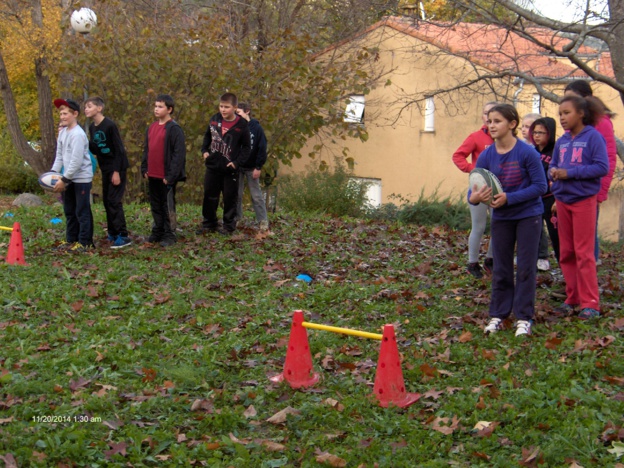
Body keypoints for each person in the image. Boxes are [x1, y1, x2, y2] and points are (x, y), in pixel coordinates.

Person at [469, 104, 547, 336]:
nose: (491, 125)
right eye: (489, 121)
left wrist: (509, 198)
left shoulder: (527, 153)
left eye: (497, 121)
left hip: (528, 217)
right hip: (501, 217)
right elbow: (475, 185)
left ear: (512, 125)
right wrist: (474, 198)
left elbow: (540, 186)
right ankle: (498, 315)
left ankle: (524, 317)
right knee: (501, 267)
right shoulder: (486, 155)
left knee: (525, 267)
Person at [549, 95, 609, 319]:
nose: (562, 118)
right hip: (563, 200)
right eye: (560, 114)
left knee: (584, 252)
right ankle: (572, 297)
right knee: (566, 252)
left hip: (584, 200)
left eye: (567, 113)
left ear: (581, 114)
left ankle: (590, 302)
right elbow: (553, 164)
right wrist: (553, 173)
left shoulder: (593, 137)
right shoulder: (563, 140)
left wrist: (570, 173)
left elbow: (601, 167)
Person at [563, 80, 617, 262]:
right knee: (573, 239)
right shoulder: (572, 128)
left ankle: (588, 278)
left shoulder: (600, 124)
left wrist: (601, 192)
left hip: (589, 190)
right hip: (571, 190)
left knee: (587, 239)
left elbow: (608, 159)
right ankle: (574, 281)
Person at [452, 101, 498, 279]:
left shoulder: (503, 138)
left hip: (498, 190)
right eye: (486, 114)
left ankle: (490, 260)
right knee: (478, 227)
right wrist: (473, 170)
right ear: (482, 117)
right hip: (478, 189)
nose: (489, 119)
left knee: (498, 226)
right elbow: (458, 156)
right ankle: (472, 263)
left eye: (493, 115)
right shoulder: (476, 137)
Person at [198, 93, 251, 235]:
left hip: (230, 169)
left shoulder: (242, 125)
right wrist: (204, 151)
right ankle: (209, 224)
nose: (223, 109)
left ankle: (228, 226)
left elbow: (247, 147)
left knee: (229, 198)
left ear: (234, 107)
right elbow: (207, 137)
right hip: (213, 165)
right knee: (209, 195)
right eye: (221, 106)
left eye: (226, 107)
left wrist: (237, 163)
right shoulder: (214, 119)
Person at [84, 96, 131, 249]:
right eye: (85, 107)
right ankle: (112, 232)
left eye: (90, 106)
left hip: (116, 167)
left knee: (114, 201)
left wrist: (116, 171)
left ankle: (123, 236)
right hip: (105, 168)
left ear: (99, 108)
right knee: (106, 201)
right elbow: (96, 149)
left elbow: (119, 149)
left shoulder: (109, 125)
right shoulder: (92, 127)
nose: (86, 109)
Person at [140, 94, 186, 247]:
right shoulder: (151, 127)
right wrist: (144, 167)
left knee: (167, 205)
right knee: (155, 204)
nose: (156, 109)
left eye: (160, 106)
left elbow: (178, 154)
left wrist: (171, 175)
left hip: (166, 176)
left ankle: (169, 232)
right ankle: (158, 229)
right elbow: (147, 149)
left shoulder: (174, 129)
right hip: (152, 174)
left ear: (169, 109)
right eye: (155, 106)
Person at [51, 98, 95, 252]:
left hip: (81, 179)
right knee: (69, 210)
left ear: (75, 114)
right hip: (67, 179)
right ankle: (71, 239)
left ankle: (85, 242)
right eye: (61, 114)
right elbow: (60, 156)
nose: (62, 117)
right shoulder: (63, 132)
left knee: (81, 211)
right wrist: (53, 174)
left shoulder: (77, 134)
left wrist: (64, 179)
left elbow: (76, 162)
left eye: (65, 114)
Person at [529, 117, 560, 265]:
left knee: (556, 236)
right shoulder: (530, 151)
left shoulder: (556, 151)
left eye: (541, 132)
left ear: (550, 133)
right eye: (534, 132)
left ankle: (565, 270)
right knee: (533, 234)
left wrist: (557, 200)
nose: (536, 136)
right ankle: (533, 266)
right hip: (533, 199)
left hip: (551, 199)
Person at [235, 102, 269, 230]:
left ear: (247, 111)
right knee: (236, 194)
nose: (236, 115)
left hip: (252, 167)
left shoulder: (256, 128)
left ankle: (263, 221)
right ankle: (237, 219)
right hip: (238, 166)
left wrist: (258, 166)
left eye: (238, 112)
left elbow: (262, 147)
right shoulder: (236, 127)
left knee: (256, 195)